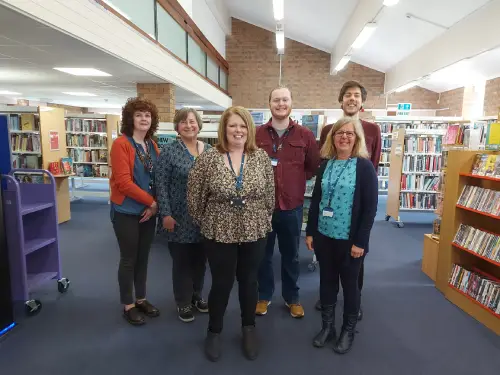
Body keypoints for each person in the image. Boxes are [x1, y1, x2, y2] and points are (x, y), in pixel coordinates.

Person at [187, 106, 275, 362]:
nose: (238, 130)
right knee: (222, 283)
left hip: (254, 228)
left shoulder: (259, 157)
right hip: (218, 229)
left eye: (243, 125)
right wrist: (206, 221)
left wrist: (263, 216)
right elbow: (195, 196)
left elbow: (270, 192)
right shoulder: (209, 158)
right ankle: (214, 331)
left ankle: (249, 328)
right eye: (233, 125)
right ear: (224, 129)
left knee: (249, 281)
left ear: (250, 129)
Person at [306, 117, 378, 354]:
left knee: (349, 286)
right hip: (325, 236)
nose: (344, 137)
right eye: (339, 133)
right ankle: (328, 327)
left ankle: (348, 330)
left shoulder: (364, 166)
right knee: (326, 282)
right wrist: (311, 232)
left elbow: (370, 209)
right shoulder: (326, 164)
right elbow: (316, 200)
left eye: (349, 133)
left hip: (350, 240)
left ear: (356, 138)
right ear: (332, 138)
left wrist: (361, 241)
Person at [315, 80, 382, 320]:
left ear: (362, 102)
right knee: (330, 261)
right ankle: (329, 297)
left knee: (356, 257)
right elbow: (323, 160)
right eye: (347, 95)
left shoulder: (373, 130)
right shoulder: (329, 129)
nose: (352, 99)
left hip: (359, 201)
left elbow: (372, 162)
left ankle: (355, 299)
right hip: (333, 200)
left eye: (356, 95)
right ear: (341, 100)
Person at [255, 86, 320, 318]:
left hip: (292, 207)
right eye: (276, 100)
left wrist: (295, 181)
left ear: (291, 103)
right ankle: (263, 295)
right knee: (262, 255)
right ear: (269, 104)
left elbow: (313, 166)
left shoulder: (305, 135)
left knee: (291, 254)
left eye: (284, 100)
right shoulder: (257, 134)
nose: (280, 104)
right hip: (262, 207)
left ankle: (292, 297)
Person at [155, 108, 210, 323]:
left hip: (204, 219)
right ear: (177, 127)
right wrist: (165, 214)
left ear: (199, 125)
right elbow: (161, 185)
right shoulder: (168, 152)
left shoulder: (210, 151)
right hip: (178, 218)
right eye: (184, 122)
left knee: (200, 261)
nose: (189, 125)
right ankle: (183, 302)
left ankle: (197, 296)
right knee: (182, 263)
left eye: (193, 121)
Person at [110, 97, 161, 326]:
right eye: (139, 114)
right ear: (130, 118)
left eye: (147, 115)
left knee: (143, 258)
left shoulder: (152, 145)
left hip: (148, 211)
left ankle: (141, 298)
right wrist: (151, 202)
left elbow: (157, 177)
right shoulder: (122, 144)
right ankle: (128, 304)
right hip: (126, 211)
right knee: (129, 259)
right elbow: (123, 182)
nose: (143, 119)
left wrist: (154, 204)